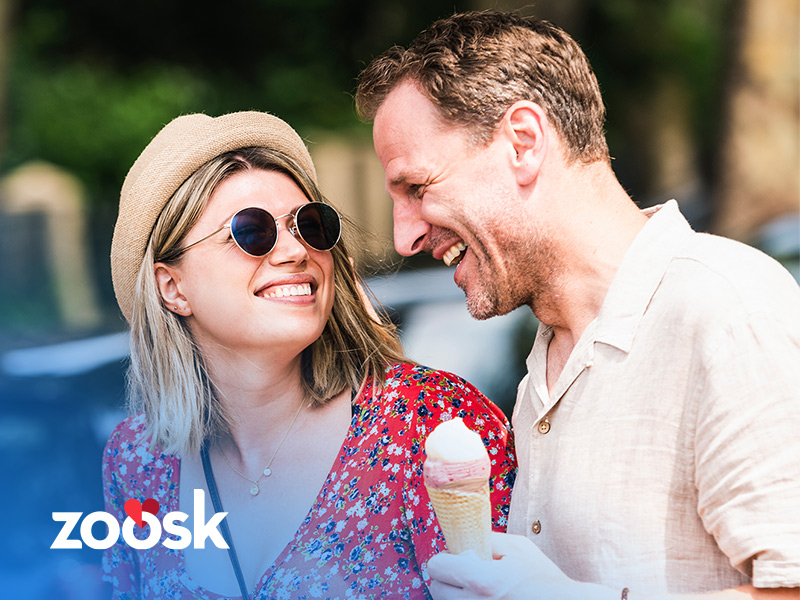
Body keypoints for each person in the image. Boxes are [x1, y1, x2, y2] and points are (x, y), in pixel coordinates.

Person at [355, 10, 800, 600]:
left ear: (523, 143)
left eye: (416, 188)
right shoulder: (544, 365)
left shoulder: (726, 308)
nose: (404, 236)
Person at [102, 111, 516, 599]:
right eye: (252, 232)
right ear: (172, 287)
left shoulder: (432, 424)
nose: (296, 252)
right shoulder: (136, 460)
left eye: (310, 226)